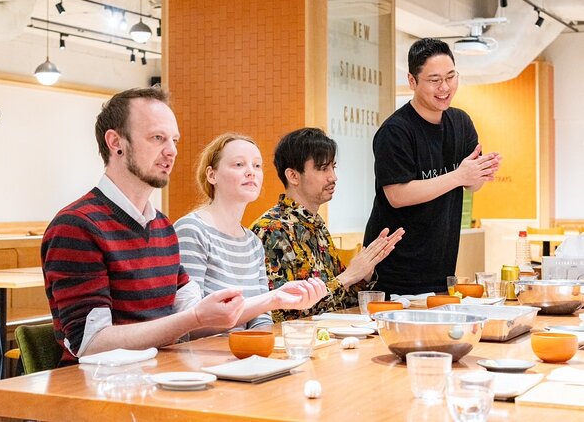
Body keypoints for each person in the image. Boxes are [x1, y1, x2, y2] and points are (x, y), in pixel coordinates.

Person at [41, 87, 246, 365]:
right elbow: (90, 343)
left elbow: (193, 312)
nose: (171, 151)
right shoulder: (76, 226)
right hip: (101, 391)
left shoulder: (162, 226)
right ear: (116, 143)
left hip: (163, 377)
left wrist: (266, 302)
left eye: (174, 140)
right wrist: (193, 318)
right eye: (157, 138)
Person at [363, 38, 501, 296]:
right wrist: (459, 175)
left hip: (441, 269)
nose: (445, 87)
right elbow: (397, 196)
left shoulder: (461, 122)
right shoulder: (396, 131)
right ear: (412, 81)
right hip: (396, 273)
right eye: (434, 80)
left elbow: (472, 184)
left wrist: (478, 173)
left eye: (451, 77)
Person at [174, 133, 327, 330]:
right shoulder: (191, 230)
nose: (251, 172)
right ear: (212, 175)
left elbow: (262, 319)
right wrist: (274, 299)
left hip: (245, 354)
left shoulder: (253, 243)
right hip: (204, 356)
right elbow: (189, 323)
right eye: (239, 164)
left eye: (256, 165)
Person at [251, 128, 404, 321]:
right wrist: (348, 276)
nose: (333, 177)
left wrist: (364, 274)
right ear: (293, 175)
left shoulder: (316, 224)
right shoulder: (270, 229)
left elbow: (340, 300)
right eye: (323, 168)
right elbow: (281, 313)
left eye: (333, 167)